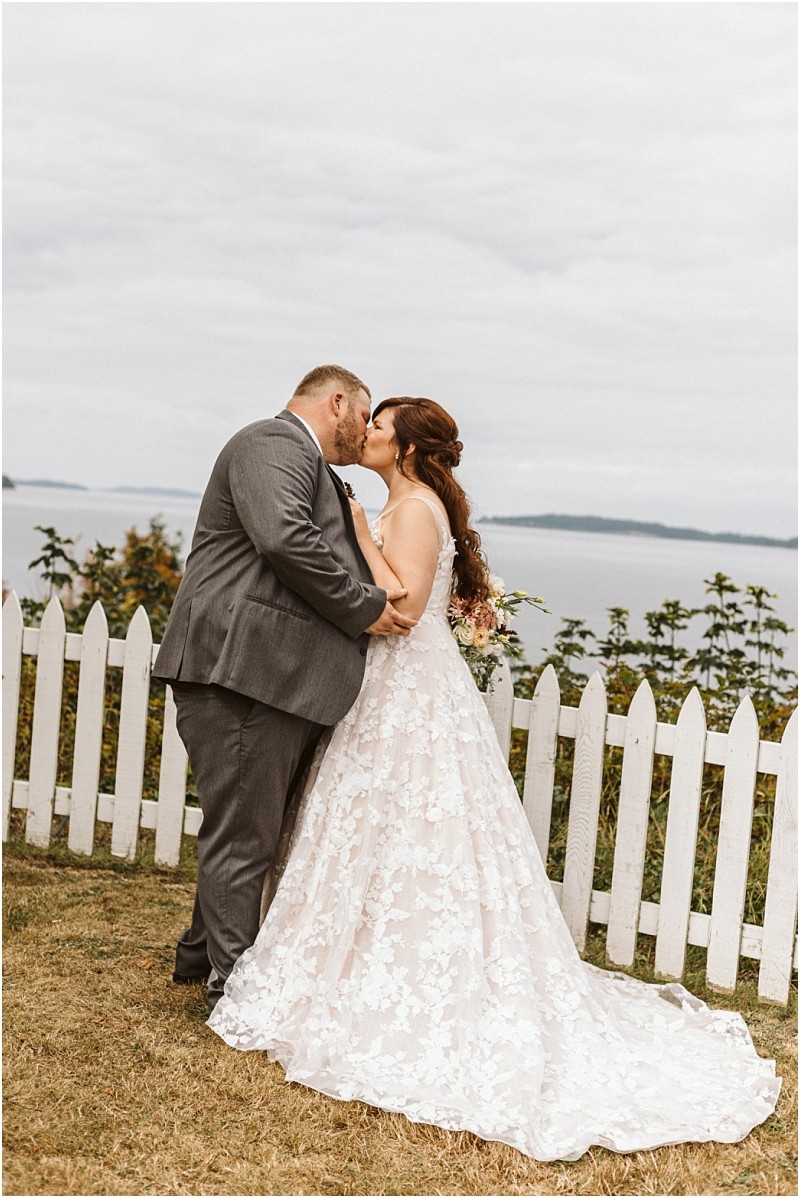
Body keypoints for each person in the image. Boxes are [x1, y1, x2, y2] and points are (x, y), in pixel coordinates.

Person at [207, 397, 780, 1161]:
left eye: (379, 427)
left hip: (408, 688)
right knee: (388, 830)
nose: (366, 434)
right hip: (395, 689)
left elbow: (404, 608)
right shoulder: (412, 503)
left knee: (413, 826)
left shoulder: (412, 509)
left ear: (407, 450)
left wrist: (350, 529)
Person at [153, 366, 415, 1013]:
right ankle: (233, 988)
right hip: (242, 673)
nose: (365, 429)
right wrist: (363, 606)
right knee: (245, 836)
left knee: (246, 825)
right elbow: (285, 539)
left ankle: (198, 954)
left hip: (267, 676)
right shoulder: (273, 444)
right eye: (363, 415)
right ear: (336, 403)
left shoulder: (312, 465)